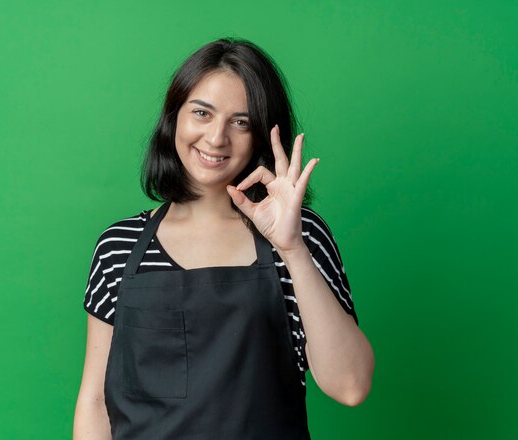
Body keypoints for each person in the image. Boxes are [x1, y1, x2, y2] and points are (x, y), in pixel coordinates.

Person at [73, 37, 374, 440]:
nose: (216, 138)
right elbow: (95, 401)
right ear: (174, 117)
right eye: (202, 113)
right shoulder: (120, 247)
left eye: (241, 121)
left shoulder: (301, 237)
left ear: (265, 135)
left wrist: (292, 249)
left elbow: (351, 386)